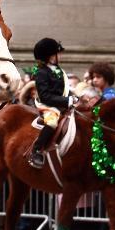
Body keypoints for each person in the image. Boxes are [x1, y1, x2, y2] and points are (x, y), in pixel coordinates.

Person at [28, 38, 73, 169]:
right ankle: (37, 149)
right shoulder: (42, 73)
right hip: (46, 105)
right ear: (50, 57)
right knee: (52, 121)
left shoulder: (59, 71)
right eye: (57, 54)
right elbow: (45, 96)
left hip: (61, 103)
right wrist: (67, 101)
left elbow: (64, 90)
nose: (60, 56)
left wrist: (75, 98)